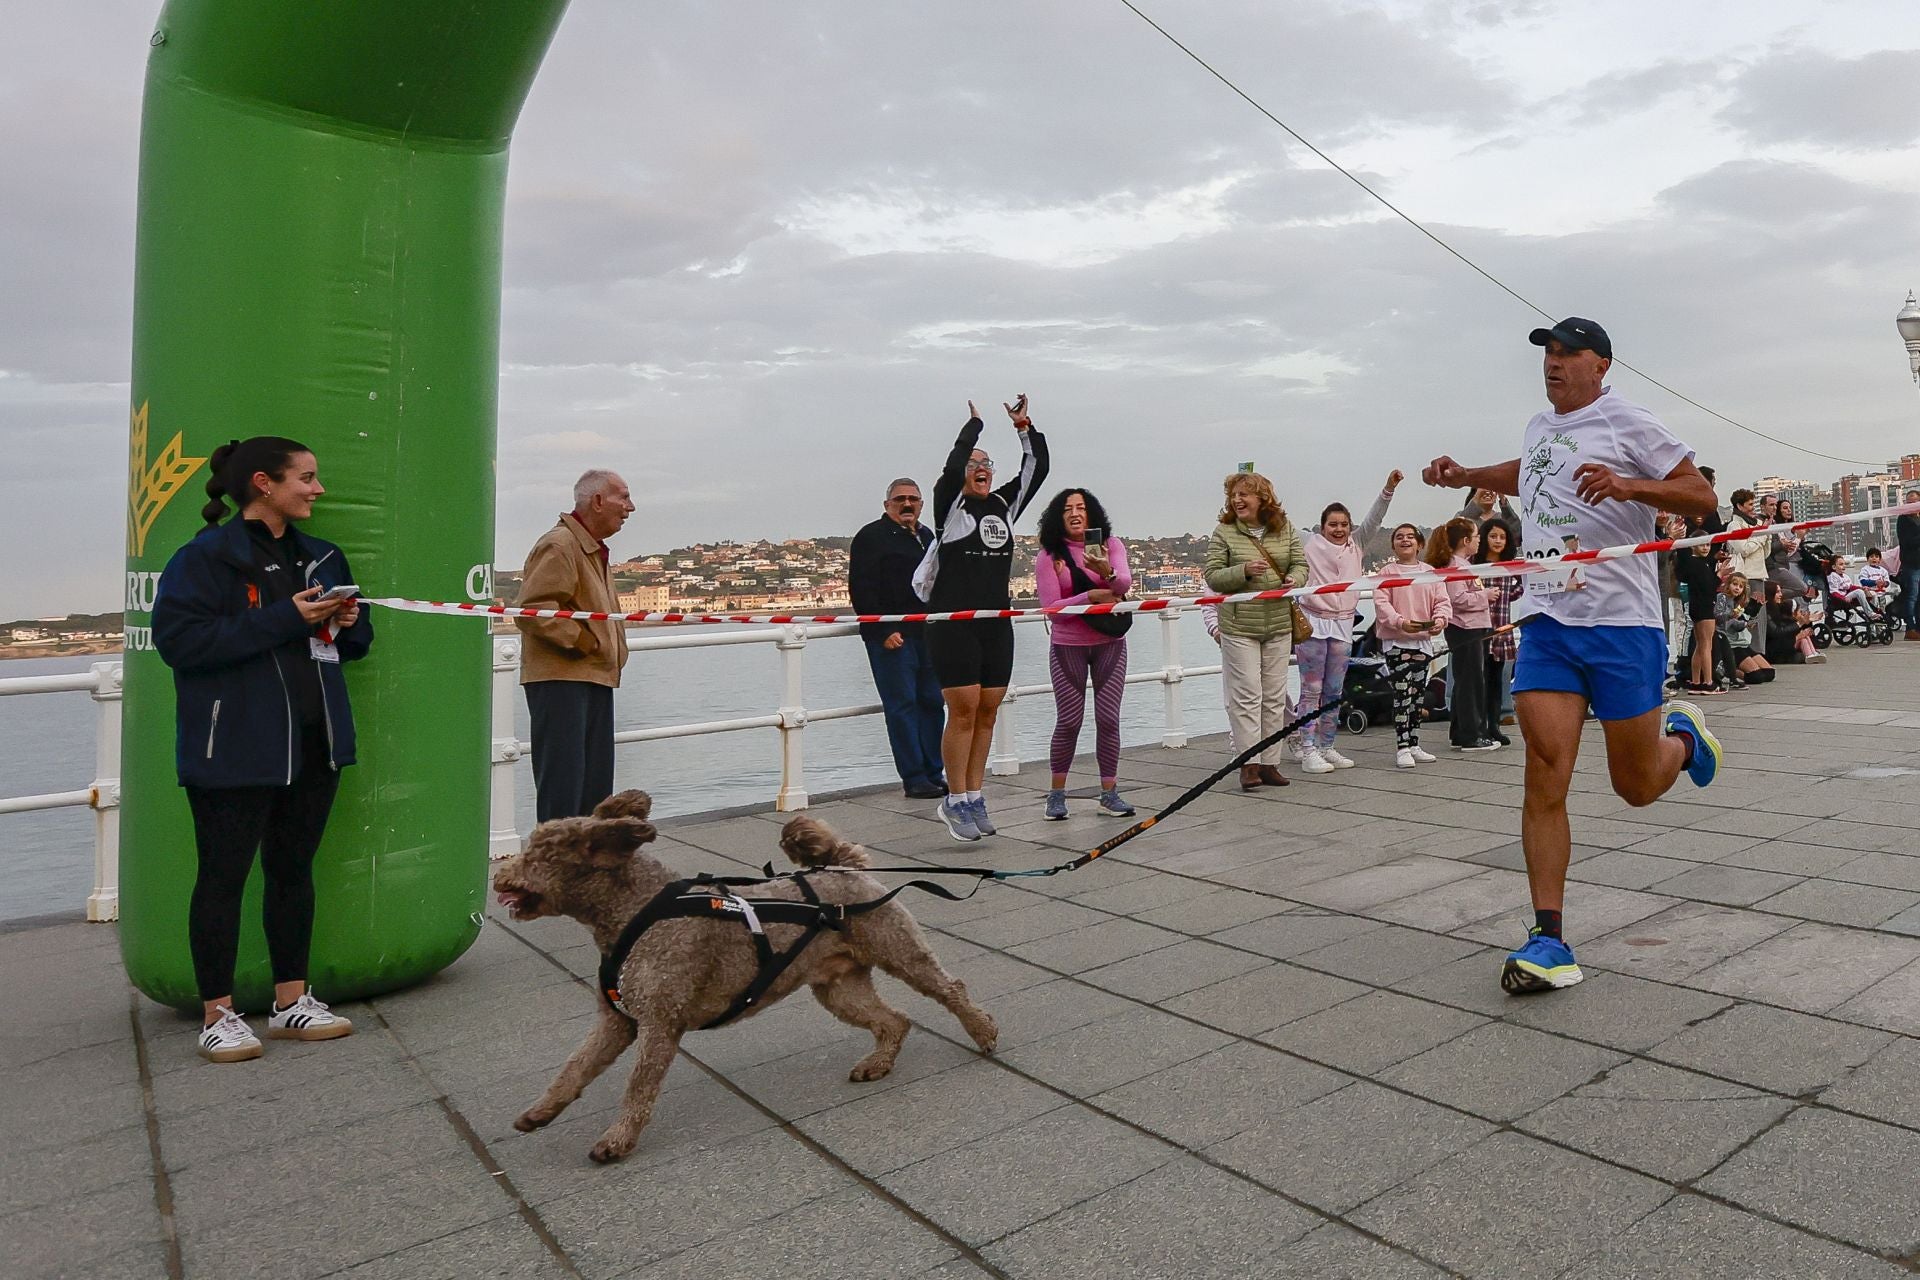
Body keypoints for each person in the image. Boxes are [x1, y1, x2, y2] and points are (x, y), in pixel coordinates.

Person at [1423, 316, 1721, 995]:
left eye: (1567, 354)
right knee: (1545, 769)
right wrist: (1466, 474)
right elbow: (1526, 472)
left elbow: (1699, 495)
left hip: (1622, 625)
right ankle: (1548, 939)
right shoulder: (1538, 427)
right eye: (1547, 355)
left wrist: (1629, 486)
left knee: (1636, 787)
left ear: (1602, 365)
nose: (1553, 365)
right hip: (1549, 619)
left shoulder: (1630, 422)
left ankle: (1682, 738)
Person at [152, 436, 372, 1063]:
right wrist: (287, 619)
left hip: (313, 745)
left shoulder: (322, 555)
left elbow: (355, 645)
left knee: (293, 871)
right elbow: (182, 644)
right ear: (264, 483)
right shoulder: (204, 560)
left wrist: (348, 626)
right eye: (307, 477)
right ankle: (217, 1014)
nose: (318, 489)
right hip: (233, 752)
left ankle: (291, 1002)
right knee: (222, 879)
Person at [915, 396, 1049, 840]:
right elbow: (953, 470)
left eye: (987, 464)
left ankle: (974, 794)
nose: (981, 469)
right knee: (965, 709)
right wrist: (973, 428)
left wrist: (1023, 426)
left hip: (995, 621)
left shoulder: (1003, 507)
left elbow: (1036, 469)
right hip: (952, 621)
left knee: (989, 710)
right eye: (975, 464)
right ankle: (953, 799)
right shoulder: (951, 509)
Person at [517, 471, 634, 823]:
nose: (630, 507)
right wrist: (585, 641)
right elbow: (534, 610)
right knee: (564, 790)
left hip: (592, 677)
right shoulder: (561, 544)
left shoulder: (589, 548)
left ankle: (585, 869)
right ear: (597, 501)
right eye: (623, 498)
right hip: (562, 680)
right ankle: (552, 871)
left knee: (594, 790)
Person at [1291, 471, 1402, 774]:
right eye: (1332, 525)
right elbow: (1279, 520)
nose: (1338, 530)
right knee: (1311, 689)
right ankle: (1307, 748)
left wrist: (1388, 490)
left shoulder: (1357, 543)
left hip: (1342, 625)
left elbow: (1374, 520)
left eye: (1343, 525)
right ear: (1322, 526)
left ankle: (1327, 745)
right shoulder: (1308, 542)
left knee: (1335, 689)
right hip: (1313, 624)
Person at [1035, 488, 1135, 819]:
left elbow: (1122, 585)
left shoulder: (1111, 545)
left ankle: (1109, 793)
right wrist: (1089, 596)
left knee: (1108, 719)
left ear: (1092, 513)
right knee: (1069, 721)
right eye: (1067, 509)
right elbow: (1051, 609)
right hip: (1068, 646)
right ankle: (1056, 794)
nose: (1076, 513)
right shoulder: (1049, 555)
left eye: (1081, 507)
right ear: (1057, 516)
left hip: (1109, 643)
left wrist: (1106, 570)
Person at [1204, 470, 1306, 790]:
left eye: (1244, 494)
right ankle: (1248, 764)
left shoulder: (1285, 529)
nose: (1237, 500)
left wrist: (1295, 580)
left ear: (1263, 498)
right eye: (1233, 495)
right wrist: (1243, 571)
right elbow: (1213, 576)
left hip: (1277, 624)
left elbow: (1300, 565)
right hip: (1239, 626)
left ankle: (1270, 763)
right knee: (1247, 694)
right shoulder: (1224, 532)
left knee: (1274, 697)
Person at [850, 478, 946, 799]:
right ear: (887, 504)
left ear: (921, 504)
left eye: (913, 499)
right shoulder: (870, 537)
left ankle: (934, 771)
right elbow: (861, 589)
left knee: (933, 703)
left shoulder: (927, 537)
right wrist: (882, 631)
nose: (907, 504)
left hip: (929, 635)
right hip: (892, 638)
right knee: (902, 706)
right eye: (900, 499)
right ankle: (914, 777)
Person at [1372, 522, 1449, 769]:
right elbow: (1382, 604)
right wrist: (1400, 622)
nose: (1405, 541)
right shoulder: (1386, 573)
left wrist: (1440, 620)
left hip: (1423, 643)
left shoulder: (1430, 573)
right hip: (1397, 642)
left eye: (1410, 537)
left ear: (1419, 543)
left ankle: (1415, 743)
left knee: (1417, 695)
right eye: (1399, 537)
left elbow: (1442, 601)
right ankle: (1402, 746)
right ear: (1393, 544)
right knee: (1402, 694)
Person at [1427, 518, 1500, 751]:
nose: (1480, 541)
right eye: (1477, 536)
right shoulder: (1455, 567)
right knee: (1470, 682)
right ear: (1466, 540)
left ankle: (1461, 731)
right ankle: (1471, 735)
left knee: (1466, 681)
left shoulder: (1464, 565)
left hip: (1473, 627)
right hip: (1464, 628)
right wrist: (1485, 596)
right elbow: (1457, 599)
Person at [1474, 517, 1523, 744]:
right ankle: (1477, 726)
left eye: (1502, 537)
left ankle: (1493, 725)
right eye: (1493, 536)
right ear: (1484, 538)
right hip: (1478, 629)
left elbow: (1523, 585)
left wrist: (1507, 596)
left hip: (1501, 630)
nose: (1498, 541)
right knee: (1478, 680)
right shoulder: (1474, 563)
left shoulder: (1509, 565)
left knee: (1496, 680)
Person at [1717, 574, 1774, 685]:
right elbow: (1725, 622)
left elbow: (1747, 616)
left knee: (1769, 673)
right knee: (1756, 677)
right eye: (1735, 584)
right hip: (1731, 644)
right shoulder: (1722, 598)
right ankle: (1728, 670)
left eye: (1740, 586)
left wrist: (1756, 608)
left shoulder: (1739, 602)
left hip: (1743, 643)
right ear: (1728, 585)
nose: (1737, 588)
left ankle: (1732, 667)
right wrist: (1743, 623)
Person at [1725, 489, 1770, 585]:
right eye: (1750, 504)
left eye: (1753, 504)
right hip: (1744, 577)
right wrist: (1762, 534)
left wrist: (1767, 533)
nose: (1753, 508)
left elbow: (1765, 554)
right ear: (1739, 506)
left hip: (1759, 575)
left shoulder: (1757, 524)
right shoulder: (1734, 525)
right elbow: (1745, 550)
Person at [1898, 490, 1920, 640]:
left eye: (1914, 502)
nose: (1911, 505)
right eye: (1909, 502)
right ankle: (1910, 627)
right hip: (1911, 563)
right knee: (1911, 596)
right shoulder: (1903, 519)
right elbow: (1906, 542)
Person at [1859, 548, 1894, 615]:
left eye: (1876, 557)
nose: (1874, 558)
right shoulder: (1865, 569)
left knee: (1882, 611)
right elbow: (1863, 581)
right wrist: (1875, 582)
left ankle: (1881, 623)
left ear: (1879, 559)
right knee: (1873, 611)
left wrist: (1884, 583)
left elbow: (1887, 582)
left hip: (1881, 595)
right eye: (1871, 556)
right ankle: (1872, 622)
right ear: (1867, 559)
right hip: (1871, 595)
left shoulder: (1883, 570)